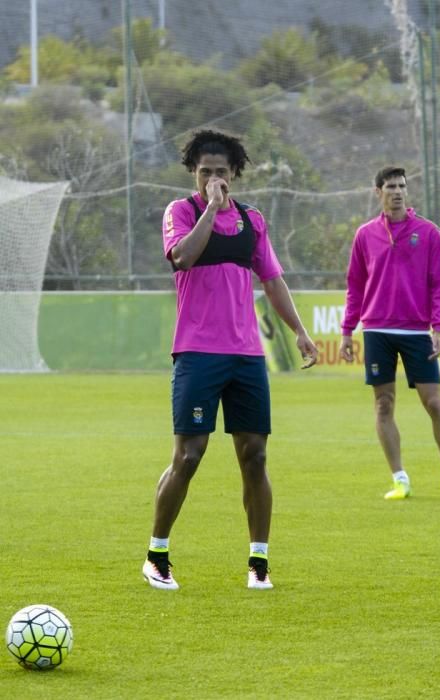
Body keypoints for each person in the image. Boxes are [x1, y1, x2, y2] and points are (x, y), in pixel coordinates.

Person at [142, 129, 318, 590]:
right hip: (198, 353)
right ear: (194, 175)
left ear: (235, 173)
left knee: (255, 456)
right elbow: (182, 257)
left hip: (246, 356)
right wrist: (211, 212)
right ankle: (157, 554)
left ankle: (259, 562)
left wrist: (299, 331)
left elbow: (273, 280)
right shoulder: (181, 212)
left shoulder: (253, 221)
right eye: (205, 172)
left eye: (221, 172)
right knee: (189, 455)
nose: (213, 179)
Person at [339, 165, 440, 501]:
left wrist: (438, 327)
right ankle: (400, 480)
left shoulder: (428, 232)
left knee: (435, 403)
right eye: (390, 186)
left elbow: (439, 284)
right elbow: (355, 286)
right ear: (377, 192)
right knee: (383, 405)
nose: (397, 191)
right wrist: (347, 331)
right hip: (377, 329)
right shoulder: (365, 235)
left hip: (416, 331)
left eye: (402, 186)